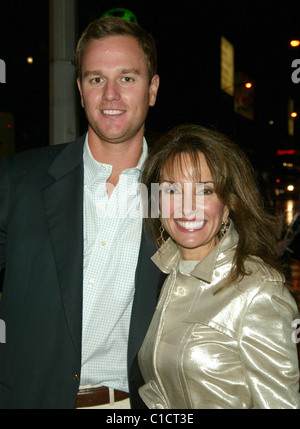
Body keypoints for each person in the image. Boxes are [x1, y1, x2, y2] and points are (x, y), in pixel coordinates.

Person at [0, 17, 162, 409]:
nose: (110, 94)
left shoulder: (177, 193)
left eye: (127, 78)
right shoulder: (18, 180)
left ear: (152, 89)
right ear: (80, 90)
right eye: (95, 79)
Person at [138, 124, 300, 409]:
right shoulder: (163, 277)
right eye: (172, 190)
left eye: (204, 191)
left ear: (227, 205)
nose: (187, 207)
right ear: (156, 203)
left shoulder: (258, 293)